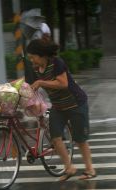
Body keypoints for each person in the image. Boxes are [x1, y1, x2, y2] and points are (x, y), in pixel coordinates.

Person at [26, 39, 96, 181]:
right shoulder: (35, 68)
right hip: (58, 107)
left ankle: (90, 169)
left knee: (80, 139)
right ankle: (69, 168)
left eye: (33, 56)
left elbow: (63, 83)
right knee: (55, 138)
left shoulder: (56, 62)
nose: (31, 60)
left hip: (76, 104)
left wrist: (41, 82)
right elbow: (28, 85)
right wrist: (10, 88)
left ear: (41, 55)